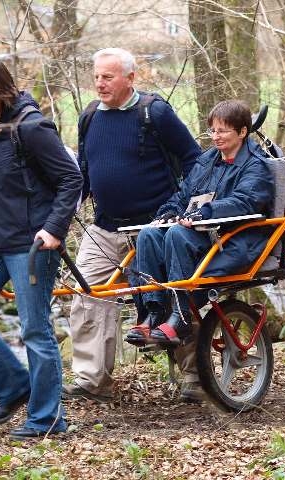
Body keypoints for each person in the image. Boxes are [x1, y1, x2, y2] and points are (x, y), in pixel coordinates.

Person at [0, 56, 82, 440]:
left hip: (32, 245)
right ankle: (14, 387)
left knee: (35, 330)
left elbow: (71, 180)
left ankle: (47, 419)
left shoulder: (33, 128)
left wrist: (54, 229)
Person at [63, 48, 203, 402]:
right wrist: (64, 211)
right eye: (96, 76)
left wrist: (185, 210)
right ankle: (92, 381)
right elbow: (83, 171)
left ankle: (193, 377)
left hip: (155, 230)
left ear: (130, 77)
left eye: (107, 77)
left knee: (174, 295)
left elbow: (194, 161)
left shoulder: (154, 112)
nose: (99, 83)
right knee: (87, 296)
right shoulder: (90, 116)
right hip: (105, 228)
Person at [129, 99, 274, 344]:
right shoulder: (207, 161)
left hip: (233, 238)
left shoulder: (255, 165)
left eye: (222, 131)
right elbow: (184, 195)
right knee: (148, 235)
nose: (215, 137)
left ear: (242, 132)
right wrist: (168, 211)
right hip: (201, 235)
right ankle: (152, 312)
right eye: (212, 130)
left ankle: (180, 316)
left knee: (176, 234)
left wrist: (204, 213)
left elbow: (245, 201)